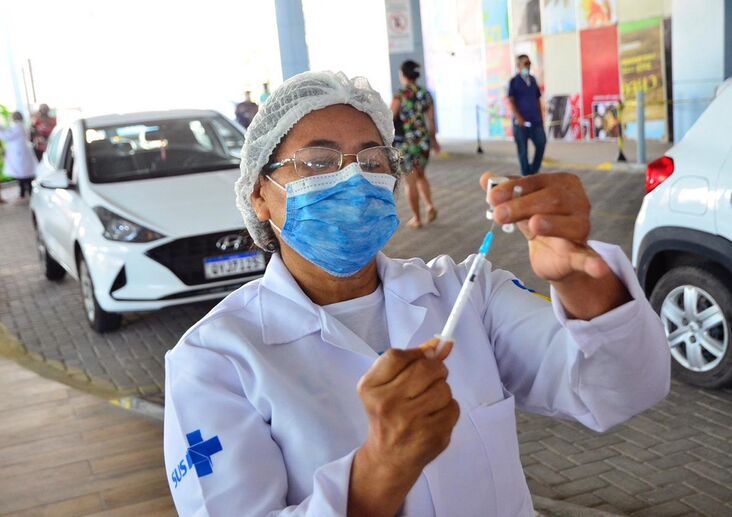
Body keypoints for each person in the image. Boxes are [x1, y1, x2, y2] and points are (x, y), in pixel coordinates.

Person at [163, 70, 670, 516]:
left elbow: (622, 388)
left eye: (372, 158)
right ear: (258, 194)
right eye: (318, 162)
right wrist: (381, 469)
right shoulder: (214, 360)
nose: (353, 177)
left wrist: (580, 276)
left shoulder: (466, 291)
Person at [391, 60, 440, 229]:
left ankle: (417, 218)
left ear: (403, 74)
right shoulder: (425, 93)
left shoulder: (400, 94)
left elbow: (391, 118)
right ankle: (430, 205)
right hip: (422, 141)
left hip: (406, 143)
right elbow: (431, 120)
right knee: (421, 175)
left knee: (409, 181)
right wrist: (433, 141)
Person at [508, 54, 547, 176]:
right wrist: (518, 117)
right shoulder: (514, 82)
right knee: (523, 152)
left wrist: (541, 118)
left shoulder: (533, 80)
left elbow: (537, 100)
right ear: (518, 66)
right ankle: (526, 176)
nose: (528, 66)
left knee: (541, 143)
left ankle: (533, 171)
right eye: (525, 63)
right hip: (520, 124)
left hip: (535, 122)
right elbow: (511, 101)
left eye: (529, 63)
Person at [0, 111, 38, 201]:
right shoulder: (19, 126)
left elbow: (7, 136)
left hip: (20, 155)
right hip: (21, 154)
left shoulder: (18, 127)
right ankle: (26, 193)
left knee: (23, 175)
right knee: (25, 175)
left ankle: (24, 194)